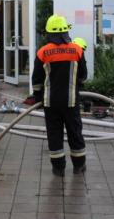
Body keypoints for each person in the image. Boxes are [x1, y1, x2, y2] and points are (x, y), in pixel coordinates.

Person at [26, 15, 87, 177]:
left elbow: (36, 80)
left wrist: (38, 96)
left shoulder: (43, 52)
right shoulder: (77, 50)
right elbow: (83, 76)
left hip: (50, 103)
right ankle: (79, 166)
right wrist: (77, 85)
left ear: (49, 33)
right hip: (71, 101)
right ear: (65, 31)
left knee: (54, 134)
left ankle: (58, 168)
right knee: (75, 133)